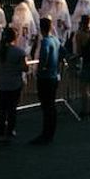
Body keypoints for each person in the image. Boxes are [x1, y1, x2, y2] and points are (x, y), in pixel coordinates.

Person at [0, 27, 27, 145]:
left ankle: (1, 133)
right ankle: (10, 131)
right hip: (14, 84)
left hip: (1, 84)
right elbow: (25, 68)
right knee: (12, 110)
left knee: (1, 110)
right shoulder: (19, 52)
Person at [31, 17, 63, 145]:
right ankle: (50, 132)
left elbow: (43, 58)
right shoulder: (55, 40)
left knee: (46, 106)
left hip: (45, 77)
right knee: (51, 106)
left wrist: (40, 70)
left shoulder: (45, 42)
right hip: (54, 76)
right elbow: (63, 52)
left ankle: (46, 134)